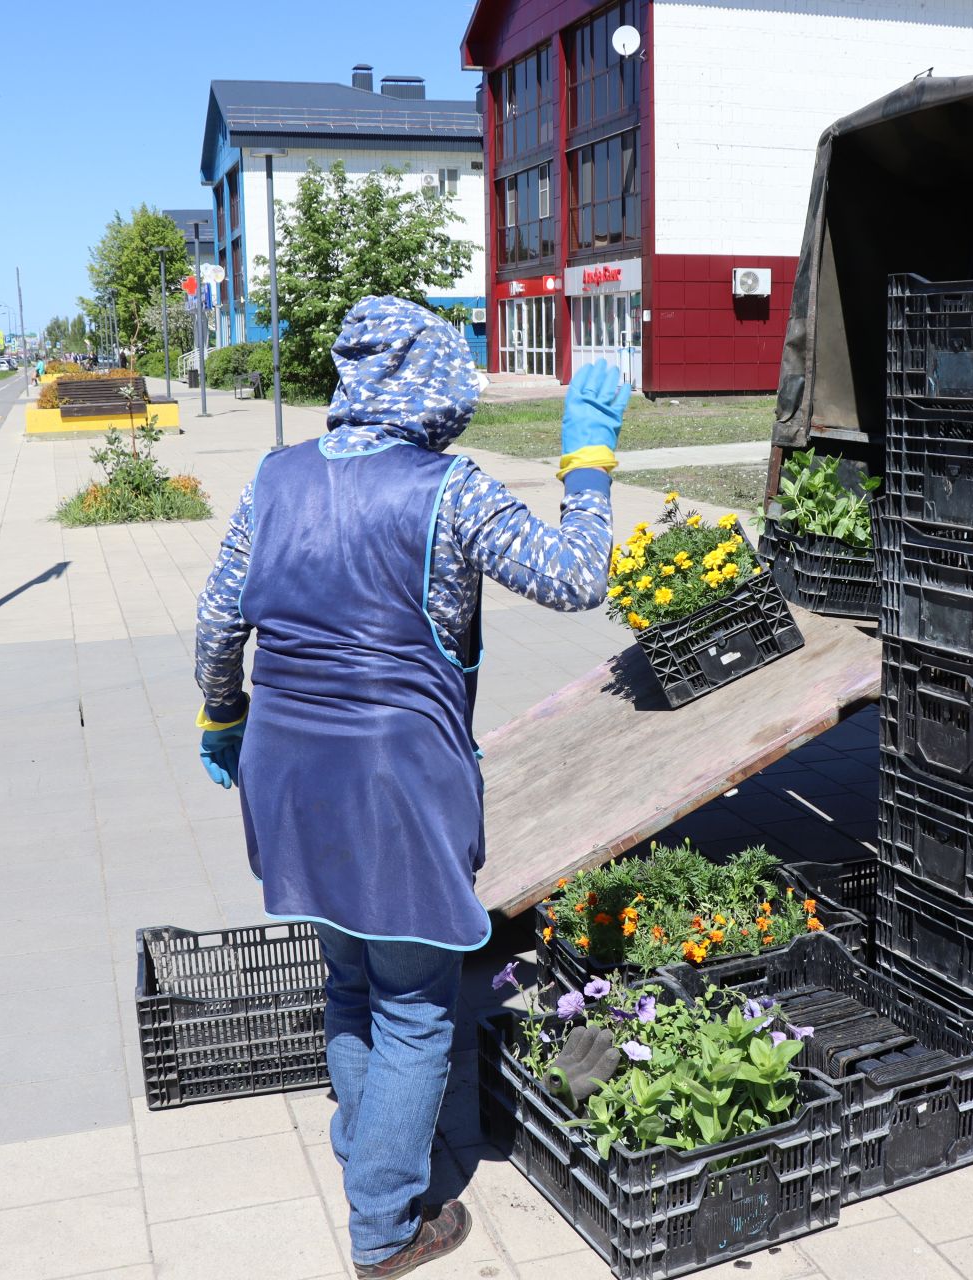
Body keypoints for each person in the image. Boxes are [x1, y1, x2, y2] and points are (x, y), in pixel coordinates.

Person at [192, 297, 627, 1278]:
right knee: (418, 1006)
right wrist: (589, 457)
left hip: (287, 775)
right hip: (394, 781)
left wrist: (223, 716)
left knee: (350, 972)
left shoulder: (275, 477)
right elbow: (573, 577)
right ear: (435, 383)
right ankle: (387, 1224)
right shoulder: (451, 490)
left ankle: (367, 1143)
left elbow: (218, 623)